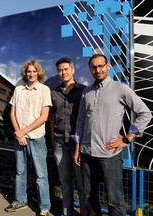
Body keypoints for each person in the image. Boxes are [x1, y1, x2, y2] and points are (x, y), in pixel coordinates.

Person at [74, 53, 152, 216]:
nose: (97, 70)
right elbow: (80, 121)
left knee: (114, 200)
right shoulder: (86, 93)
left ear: (108, 66)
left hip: (109, 153)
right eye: (93, 67)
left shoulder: (120, 89)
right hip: (87, 152)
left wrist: (127, 138)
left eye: (101, 66)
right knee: (88, 196)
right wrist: (77, 148)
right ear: (90, 70)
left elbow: (145, 113)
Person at [4, 60, 52, 216]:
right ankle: (20, 201)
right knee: (20, 172)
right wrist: (19, 133)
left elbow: (44, 117)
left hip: (36, 138)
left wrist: (23, 131)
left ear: (38, 73)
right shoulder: (18, 90)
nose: (31, 74)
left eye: (34, 71)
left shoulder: (44, 90)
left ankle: (44, 208)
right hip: (20, 138)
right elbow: (12, 114)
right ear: (25, 73)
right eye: (28, 71)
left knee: (41, 175)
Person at [50, 57, 86, 216]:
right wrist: (52, 140)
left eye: (66, 69)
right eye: (60, 70)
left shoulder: (84, 91)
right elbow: (51, 118)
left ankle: (85, 212)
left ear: (73, 70)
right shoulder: (53, 93)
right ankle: (68, 213)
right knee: (65, 183)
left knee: (82, 183)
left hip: (78, 144)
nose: (63, 72)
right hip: (60, 143)